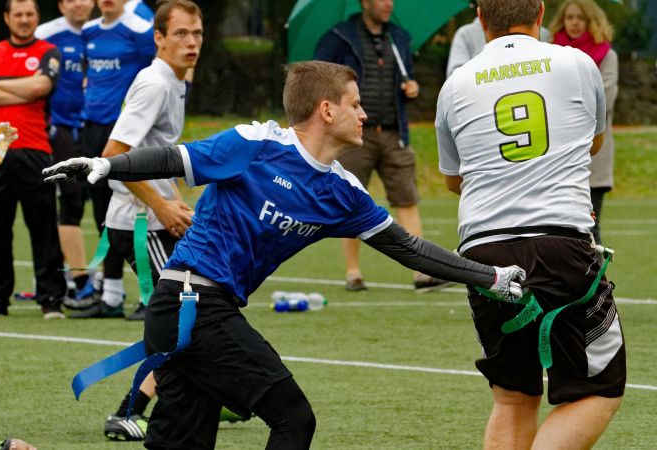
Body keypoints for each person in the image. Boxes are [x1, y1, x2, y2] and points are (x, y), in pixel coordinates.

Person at [44, 60, 526, 449]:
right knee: (294, 419)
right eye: (355, 105)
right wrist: (106, 164)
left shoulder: (344, 193)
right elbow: (174, 157)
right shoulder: (254, 144)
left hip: (199, 310)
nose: (364, 115)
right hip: (190, 303)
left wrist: (491, 277)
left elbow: (408, 248)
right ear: (326, 110)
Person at [435, 1, 625, 449]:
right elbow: (592, 142)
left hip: (484, 252)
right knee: (600, 388)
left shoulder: (456, 83)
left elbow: (452, 179)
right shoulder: (577, 63)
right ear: (541, 11)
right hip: (560, 242)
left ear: (481, 18)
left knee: (512, 397)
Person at [75, 0, 201, 440]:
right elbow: (112, 157)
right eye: (182, 33)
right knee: (183, 316)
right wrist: (162, 206)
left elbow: (158, 151)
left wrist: (177, 199)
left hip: (155, 215)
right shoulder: (154, 82)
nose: (191, 42)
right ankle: (129, 410)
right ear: (159, 38)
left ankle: (201, 396)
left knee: (197, 309)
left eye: (197, 34)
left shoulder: (175, 80)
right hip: (138, 222)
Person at [314, 0, 449, 293]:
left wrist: (411, 89)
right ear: (365, 3)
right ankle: (353, 274)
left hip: (393, 131)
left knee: (407, 199)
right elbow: (319, 80)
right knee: (348, 200)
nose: (389, 4)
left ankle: (421, 273)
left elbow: (406, 77)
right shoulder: (339, 35)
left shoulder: (399, 37)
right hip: (353, 135)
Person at [0, 0, 67, 319]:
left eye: (30, 14)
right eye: (18, 14)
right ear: (6, 18)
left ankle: (51, 298)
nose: (24, 19)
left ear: (37, 17)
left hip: (36, 150)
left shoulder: (49, 51)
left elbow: (42, 85)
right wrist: (22, 90)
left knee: (43, 228)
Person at [73, 0, 155, 314]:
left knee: (132, 213)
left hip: (123, 131)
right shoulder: (90, 30)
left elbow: (159, 74)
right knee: (103, 214)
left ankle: (150, 295)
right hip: (91, 129)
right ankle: (111, 295)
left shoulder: (140, 30)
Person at [35, 0, 95, 303]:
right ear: (60, 5)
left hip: (96, 126)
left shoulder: (103, 32)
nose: (79, 4)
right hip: (59, 128)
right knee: (69, 200)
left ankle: (96, 280)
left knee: (96, 201)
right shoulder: (46, 34)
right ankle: (80, 278)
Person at [549, 0, 618, 245]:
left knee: (590, 229)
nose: (575, 23)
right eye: (570, 17)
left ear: (592, 21)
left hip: (594, 155)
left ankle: (597, 284)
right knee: (556, 230)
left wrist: (564, 101)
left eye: (581, 17)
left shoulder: (607, 56)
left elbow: (603, 102)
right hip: (557, 156)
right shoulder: (549, 55)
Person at [446, 0, 551, 77]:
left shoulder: (545, 34)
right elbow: (454, 74)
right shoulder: (466, 34)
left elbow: (455, 81)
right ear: (541, 12)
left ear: (480, 16)